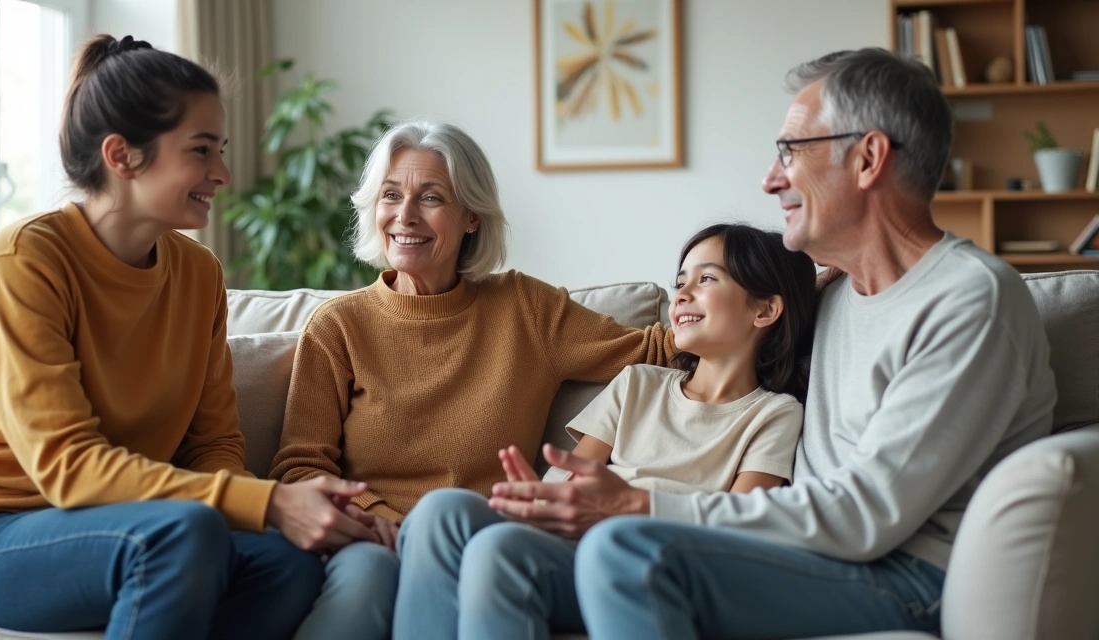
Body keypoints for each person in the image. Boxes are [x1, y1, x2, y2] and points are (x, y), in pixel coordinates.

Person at [488, 47, 1058, 639]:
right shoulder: (840, 295)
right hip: (806, 557)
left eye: (791, 151)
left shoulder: (969, 302)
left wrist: (641, 503)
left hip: (904, 575)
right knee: (505, 554)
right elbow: (752, 318)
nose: (770, 179)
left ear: (868, 158)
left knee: (627, 548)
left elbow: (868, 515)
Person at [0, 35, 373, 640]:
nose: (223, 174)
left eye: (220, 150)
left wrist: (296, 516)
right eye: (202, 151)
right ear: (122, 156)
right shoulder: (24, 262)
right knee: (184, 533)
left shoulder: (199, 275)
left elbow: (214, 444)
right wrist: (270, 503)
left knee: (287, 565)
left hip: (127, 530)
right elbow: (68, 470)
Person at [271, 120, 679, 640]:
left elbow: (654, 350)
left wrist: (789, 289)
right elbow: (299, 464)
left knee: (440, 520)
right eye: (391, 195)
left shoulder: (525, 309)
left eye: (431, 197)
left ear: (471, 218)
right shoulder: (339, 326)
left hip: (482, 537)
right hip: (372, 539)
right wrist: (377, 520)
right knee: (367, 577)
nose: (405, 216)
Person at [394, 223, 818, 639]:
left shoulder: (774, 414)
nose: (682, 294)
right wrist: (542, 500)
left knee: (497, 551)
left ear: (765, 310)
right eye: (681, 281)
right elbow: (573, 479)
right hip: (573, 538)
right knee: (440, 510)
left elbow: (743, 521)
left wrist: (623, 504)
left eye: (707, 278)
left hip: (644, 560)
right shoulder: (638, 383)